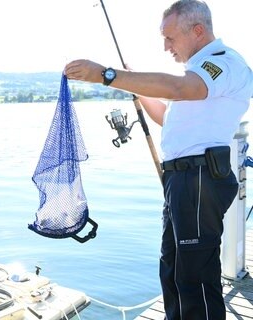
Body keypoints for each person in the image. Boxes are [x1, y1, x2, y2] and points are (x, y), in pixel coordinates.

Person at [64, 1, 253, 319]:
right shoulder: (197, 74)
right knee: (173, 268)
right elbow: (168, 117)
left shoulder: (222, 63)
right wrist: (135, 86)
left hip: (199, 178)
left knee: (196, 278)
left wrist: (107, 75)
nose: (166, 47)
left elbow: (182, 88)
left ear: (198, 30)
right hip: (182, 181)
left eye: (170, 38)